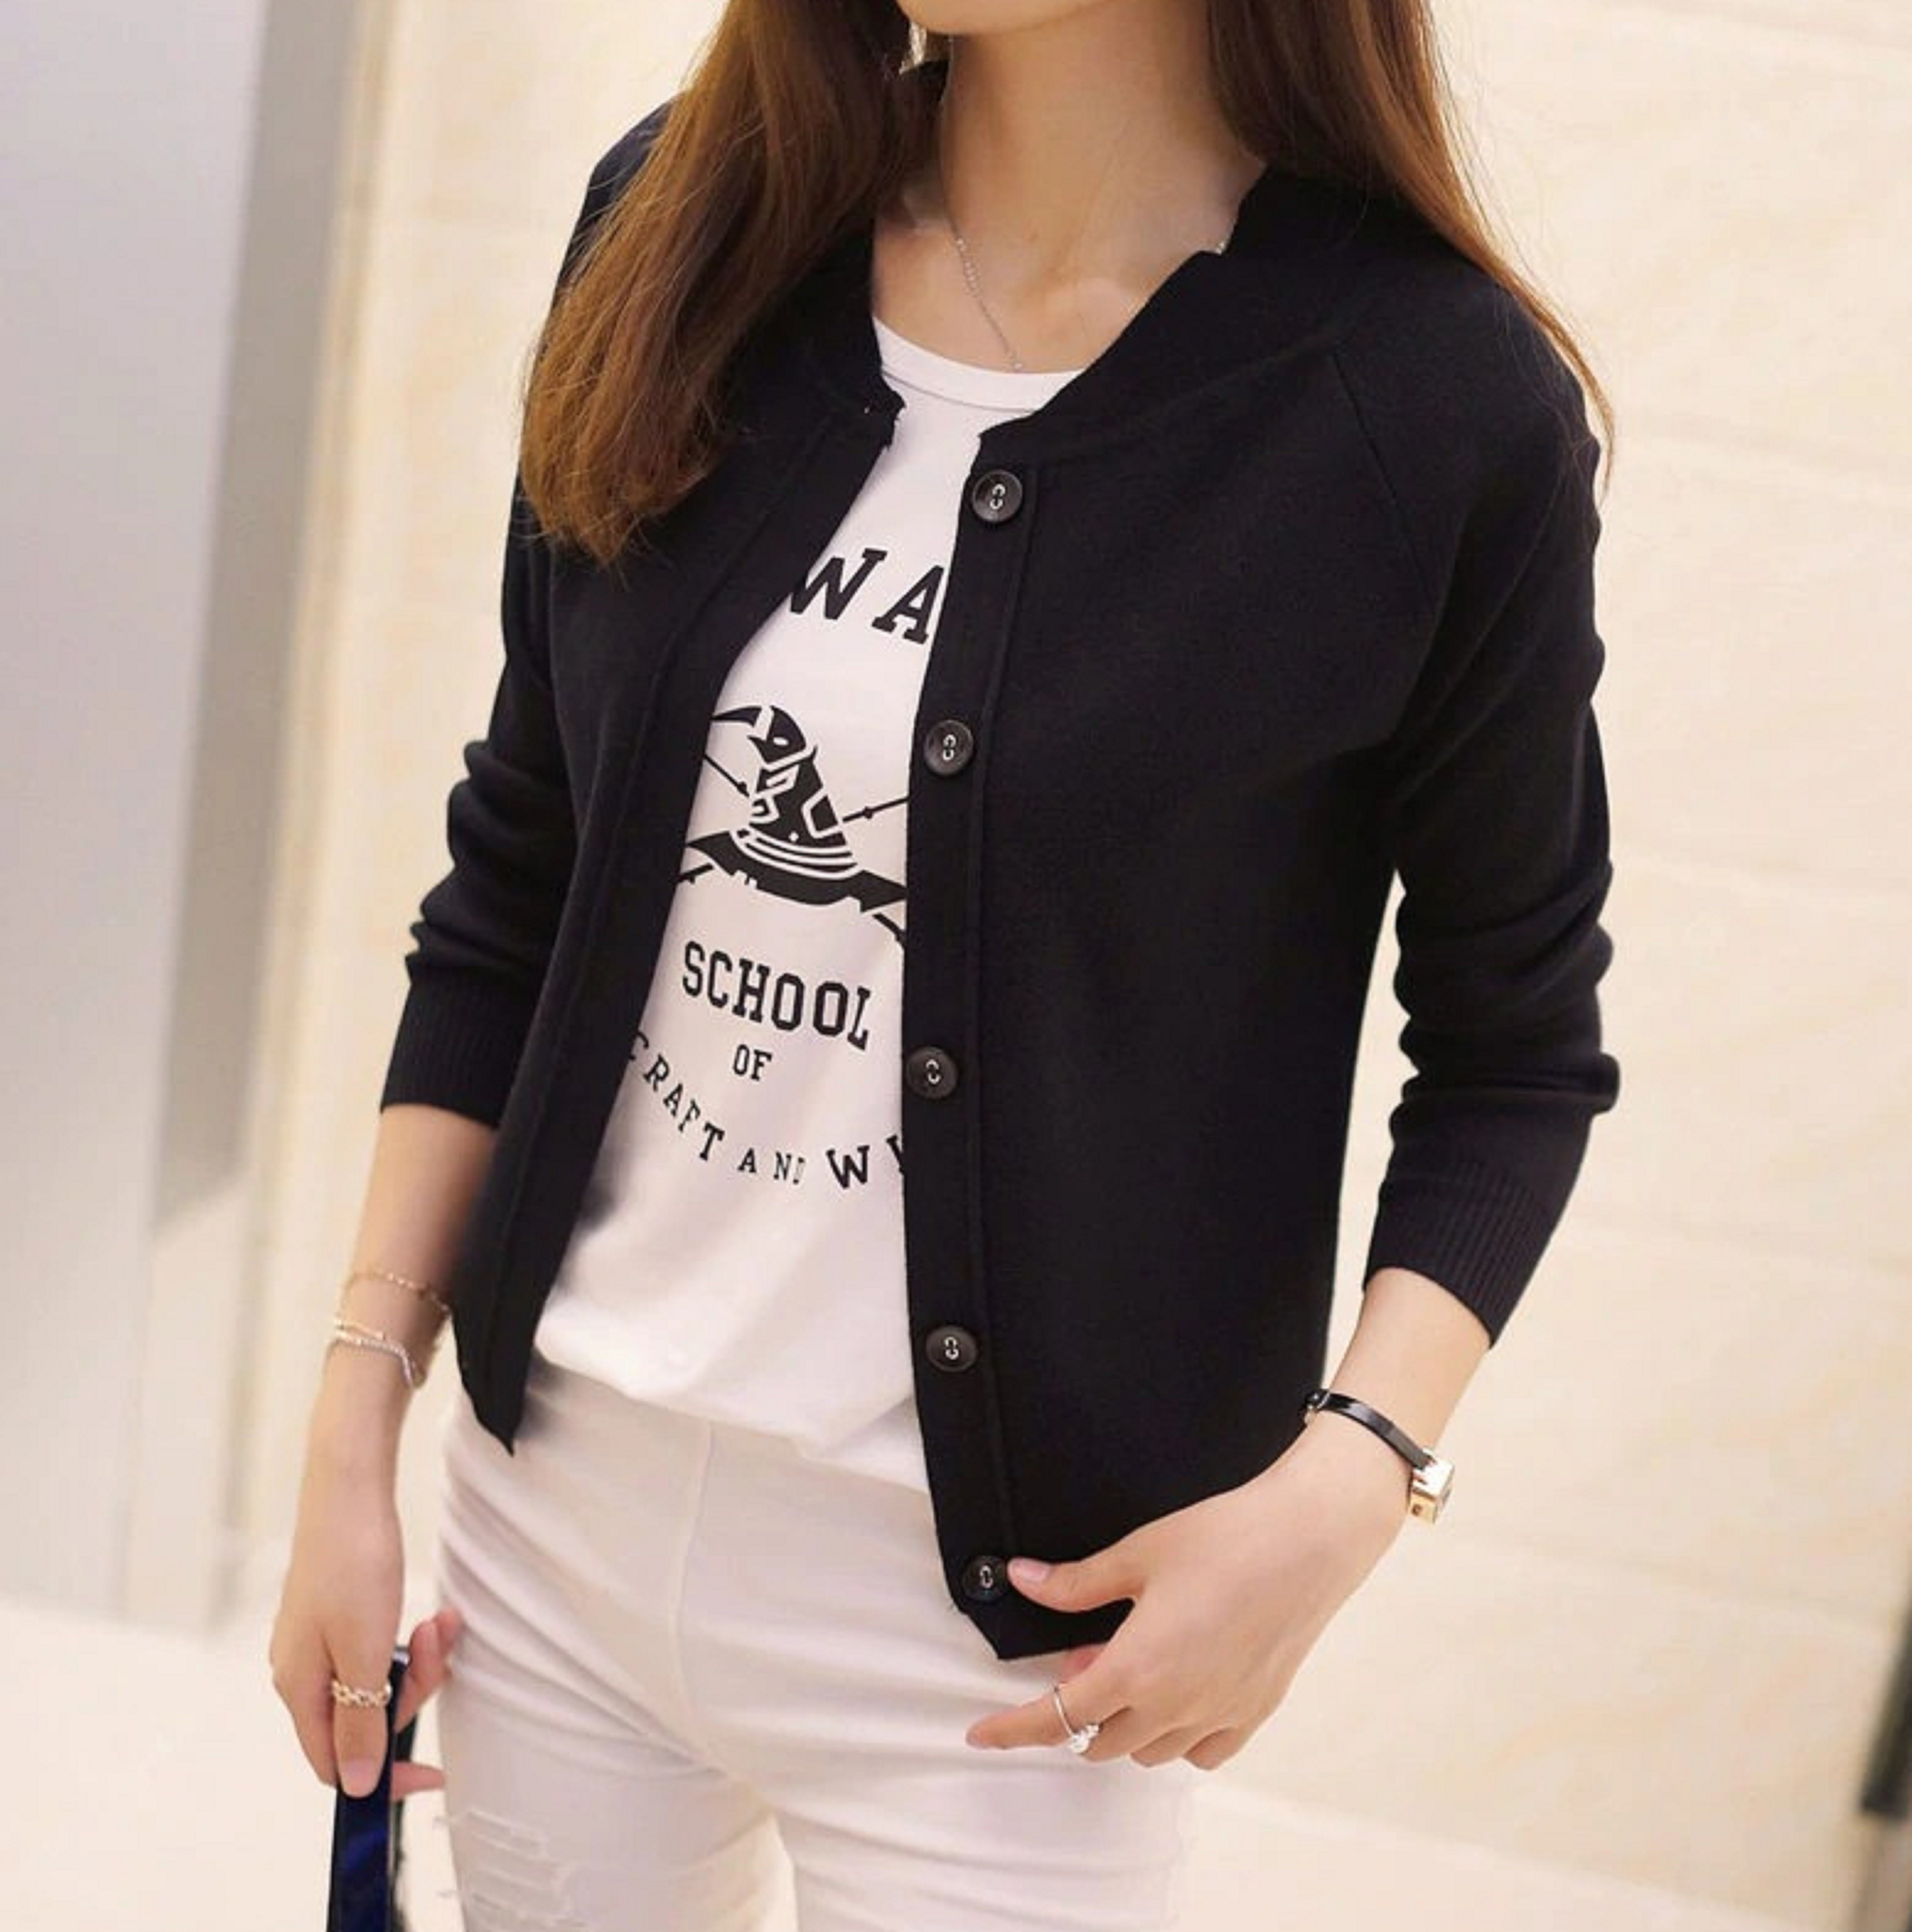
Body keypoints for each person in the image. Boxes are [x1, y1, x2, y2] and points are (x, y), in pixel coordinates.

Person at [270, 5, 1621, 1928]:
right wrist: (354, 1422)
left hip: (1021, 1652)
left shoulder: (1428, 406)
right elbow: (520, 867)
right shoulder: (685, 224)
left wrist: (1351, 1482)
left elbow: (1514, 1050)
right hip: (553, 1521)